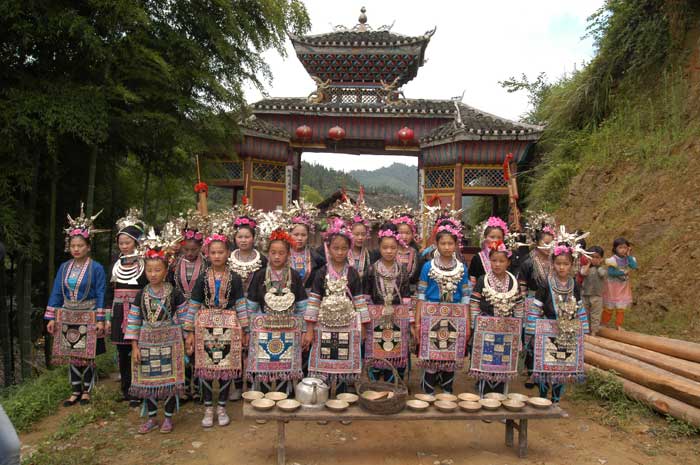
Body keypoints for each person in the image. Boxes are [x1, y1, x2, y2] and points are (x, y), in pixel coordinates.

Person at [126, 229, 193, 434]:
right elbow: (134, 321)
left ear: (166, 271)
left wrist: (188, 338)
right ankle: (152, 417)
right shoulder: (141, 294)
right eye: (149, 271)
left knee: (171, 381)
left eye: (157, 270)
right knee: (148, 382)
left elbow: (184, 318)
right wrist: (134, 346)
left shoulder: (175, 293)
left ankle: (169, 418)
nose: (153, 274)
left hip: (171, 343)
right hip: (146, 343)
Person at [45, 205, 107, 406]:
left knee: (87, 354)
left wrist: (100, 320)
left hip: (88, 313)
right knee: (71, 352)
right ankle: (74, 390)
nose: (76, 249)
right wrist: (51, 317)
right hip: (68, 314)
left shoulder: (96, 268)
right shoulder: (64, 268)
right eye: (73, 246)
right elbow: (56, 292)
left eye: (80, 245)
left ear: (88, 246)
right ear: (69, 247)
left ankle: (87, 390)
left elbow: (100, 293)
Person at [303, 218, 369, 394]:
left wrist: (362, 326)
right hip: (323, 326)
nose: (340, 252)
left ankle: (341, 402)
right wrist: (309, 329)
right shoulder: (321, 273)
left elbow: (359, 302)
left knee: (343, 366)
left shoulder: (353, 273)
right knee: (323, 364)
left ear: (348, 249)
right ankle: (323, 401)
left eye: (343, 248)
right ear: (328, 249)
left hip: (347, 326)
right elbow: (314, 302)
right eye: (335, 248)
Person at [189, 230, 247, 428]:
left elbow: (241, 304)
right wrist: (188, 330)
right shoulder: (203, 278)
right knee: (205, 369)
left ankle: (221, 407)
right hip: (204, 326)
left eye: (220, 252)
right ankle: (208, 408)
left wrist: (245, 329)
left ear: (228, 253)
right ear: (207, 253)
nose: (216, 256)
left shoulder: (236, 278)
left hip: (229, 326)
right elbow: (194, 303)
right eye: (213, 252)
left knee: (225, 369)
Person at [526, 238, 589, 404]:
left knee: (563, 366)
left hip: (567, 331)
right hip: (547, 329)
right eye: (558, 263)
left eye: (566, 264)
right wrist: (531, 332)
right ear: (552, 263)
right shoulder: (546, 284)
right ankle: (542, 399)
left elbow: (580, 306)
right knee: (544, 367)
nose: (562, 267)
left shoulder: (574, 284)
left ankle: (555, 400)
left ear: (572, 265)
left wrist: (583, 329)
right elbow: (536, 307)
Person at [246, 228, 308, 394]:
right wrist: (247, 330)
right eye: (273, 252)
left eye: (281, 253)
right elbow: (251, 305)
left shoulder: (294, 276)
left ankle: (284, 398)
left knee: (285, 365)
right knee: (265, 364)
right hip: (264, 327)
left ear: (288, 254)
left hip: (288, 327)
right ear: (268, 253)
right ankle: (263, 398)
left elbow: (302, 305)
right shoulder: (259, 276)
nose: (277, 256)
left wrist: (304, 330)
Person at [416, 217, 471, 394]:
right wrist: (417, 321)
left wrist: (468, 322)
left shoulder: (462, 268)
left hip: (456, 317)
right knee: (431, 357)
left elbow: (465, 297)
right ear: (436, 245)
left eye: (450, 243)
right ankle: (428, 394)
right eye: (443, 243)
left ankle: (447, 393)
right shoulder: (427, 267)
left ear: (456, 245)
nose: (447, 247)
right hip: (431, 316)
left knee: (451, 356)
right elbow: (421, 295)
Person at [469, 240, 523, 396]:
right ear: (489, 261)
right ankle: (485, 397)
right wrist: (476, 326)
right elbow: (474, 304)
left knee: (503, 363)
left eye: (502, 261)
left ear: (508, 262)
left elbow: (519, 306)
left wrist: (518, 327)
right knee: (486, 363)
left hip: (507, 330)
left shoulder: (513, 282)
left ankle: (500, 396)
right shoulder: (482, 280)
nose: (497, 264)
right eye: (494, 260)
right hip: (486, 330)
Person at [105, 209, 147, 407]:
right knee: (123, 351)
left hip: (139, 311)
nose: (124, 246)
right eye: (121, 243)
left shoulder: (145, 263)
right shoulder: (115, 264)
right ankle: (126, 388)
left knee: (139, 350)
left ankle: (141, 388)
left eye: (127, 242)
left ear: (136, 243)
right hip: (119, 312)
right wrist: (105, 315)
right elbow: (108, 289)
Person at [364, 223, 413, 382]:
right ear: (379, 247)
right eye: (385, 247)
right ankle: (376, 386)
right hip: (376, 319)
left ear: (398, 247)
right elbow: (366, 296)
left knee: (395, 353)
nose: (389, 251)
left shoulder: (402, 270)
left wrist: (410, 322)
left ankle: (393, 385)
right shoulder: (372, 270)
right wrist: (365, 320)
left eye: (393, 247)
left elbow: (406, 297)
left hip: (398, 319)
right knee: (376, 353)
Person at [168, 215, 206, 403]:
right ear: (182, 247)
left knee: (199, 349)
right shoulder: (174, 264)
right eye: (187, 249)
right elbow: (169, 287)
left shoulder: (206, 264)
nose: (190, 253)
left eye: (194, 249)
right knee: (182, 350)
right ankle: (182, 387)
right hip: (180, 311)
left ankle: (197, 387)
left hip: (200, 311)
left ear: (200, 248)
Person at [228, 214, 266, 400]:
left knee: (253, 345)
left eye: (247, 236)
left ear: (254, 238)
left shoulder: (263, 260)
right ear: (234, 239)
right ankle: (235, 384)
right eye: (240, 237)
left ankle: (252, 382)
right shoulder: (227, 259)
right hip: (232, 309)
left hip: (256, 308)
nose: (243, 240)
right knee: (234, 345)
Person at [602, 238, 637, 330]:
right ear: (615, 248)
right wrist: (622, 273)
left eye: (625, 248)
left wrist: (629, 256)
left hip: (623, 287)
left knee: (621, 307)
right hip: (612, 287)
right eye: (620, 247)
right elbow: (611, 272)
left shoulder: (628, 259)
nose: (623, 250)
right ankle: (604, 323)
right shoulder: (612, 260)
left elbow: (634, 266)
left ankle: (619, 325)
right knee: (609, 307)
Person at [469, 216, 509, 286]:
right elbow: (472, 278)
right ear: (485, 237)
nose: (495, 240)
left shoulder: (508, 256)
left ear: (503, 239)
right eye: (492, 237)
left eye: (499, 237)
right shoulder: (478, 258)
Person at [391, 212, 422, 295]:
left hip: (411, 294)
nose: (404, 237)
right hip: (391, 292)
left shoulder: (417, 255)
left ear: (413, 234)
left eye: (407, 233)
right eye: (401, 233)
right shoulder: (390, 252)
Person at [580, 246, 606, 335]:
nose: (594, 259)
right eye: (592, 257)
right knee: (585, 314)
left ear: (601, 259)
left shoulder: (601, 269)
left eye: (597, 257)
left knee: (595, 315)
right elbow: (583, 273)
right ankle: (585, 330)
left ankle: (594, 331)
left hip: (597, 295)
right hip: (585, 294)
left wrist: (598, 266)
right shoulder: (585, 267)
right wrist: (588, 264)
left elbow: (602, 274)